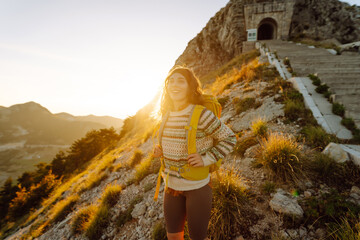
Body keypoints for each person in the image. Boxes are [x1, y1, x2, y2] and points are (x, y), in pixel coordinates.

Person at [154, 66, 236, 240]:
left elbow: (230, 139)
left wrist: (206, 158)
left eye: (181, 81)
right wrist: (161, 150)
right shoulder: (166, 115)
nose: (175, 84)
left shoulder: (202, 115)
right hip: (171, 187)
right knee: (173, 237)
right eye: (171, 81)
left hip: (197, 188)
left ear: (190, 86)